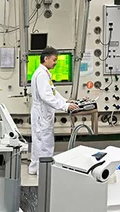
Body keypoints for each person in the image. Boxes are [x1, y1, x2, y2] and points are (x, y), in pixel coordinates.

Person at [29, 46, 79, 175]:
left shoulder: (44, 73)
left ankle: (35, 168)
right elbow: (46, 96)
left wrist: (65, 101)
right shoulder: (41, 74)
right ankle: (43, 172)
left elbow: (53, 92)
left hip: (42, 113)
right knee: (44, 143)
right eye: (54, 60)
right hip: (42, 114)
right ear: (46, 59)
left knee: (39, 142)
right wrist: (64, 107)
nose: (56, 62)